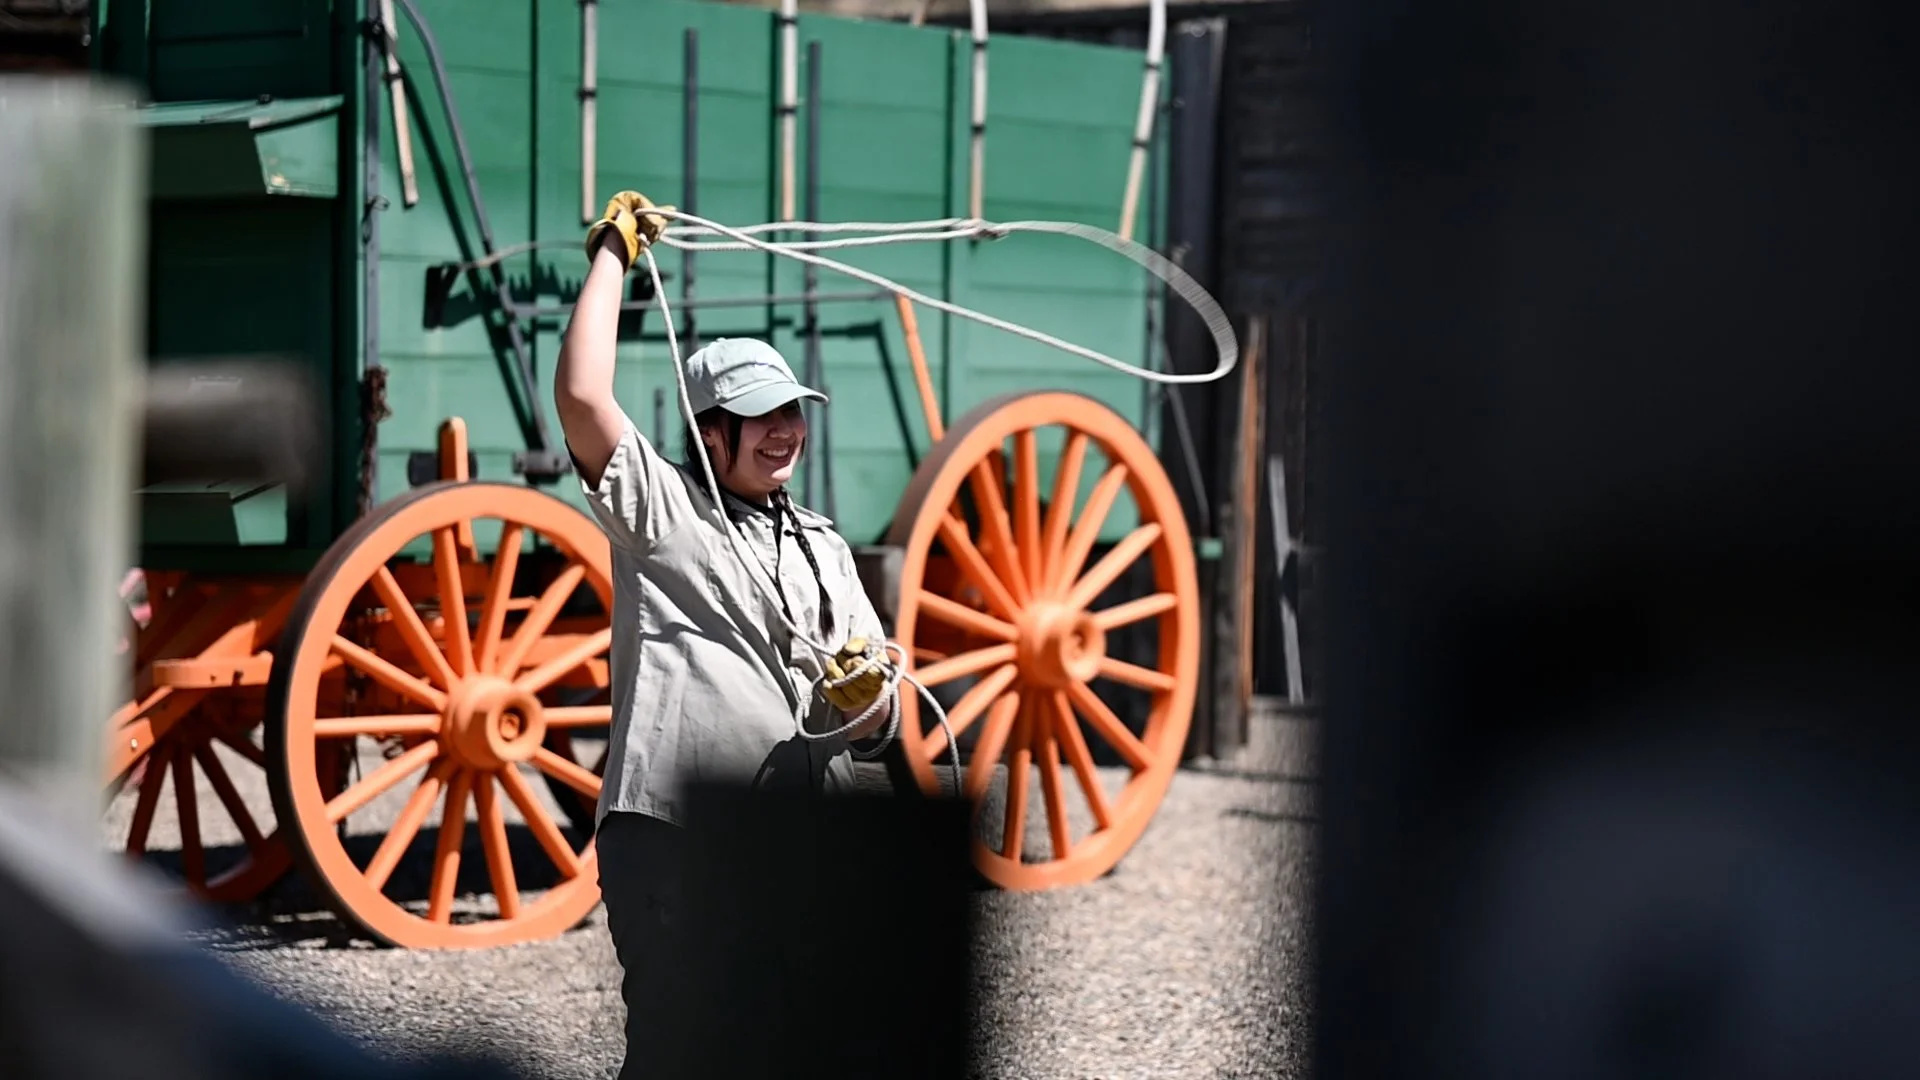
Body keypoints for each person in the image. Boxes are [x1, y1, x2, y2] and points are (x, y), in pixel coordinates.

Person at [553, 190, 896, 1079]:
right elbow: (583, 395)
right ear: (711, 433)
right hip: (672, 836)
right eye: (762, 415)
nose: (786, 431)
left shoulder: (823, 545)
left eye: (793, 411)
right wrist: (611, 257)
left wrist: (866, 704)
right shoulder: (663, 515)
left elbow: (880, 717)